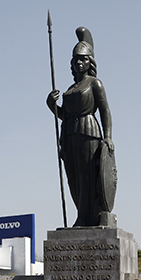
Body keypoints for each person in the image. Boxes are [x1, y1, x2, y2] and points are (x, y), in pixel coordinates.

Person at [47, 27, 115, 227]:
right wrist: (52, 107)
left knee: (86, 177)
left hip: (89, 133)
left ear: (90, 62)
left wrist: (108, 137)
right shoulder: (70, 89)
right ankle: (81, 213)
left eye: (83, 59)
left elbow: (105, 111)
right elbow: (64, 116)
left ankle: (85, 217)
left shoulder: (95, 84)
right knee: (73, 179)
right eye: (76, 59)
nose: (79, 62)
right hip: (69, 134)